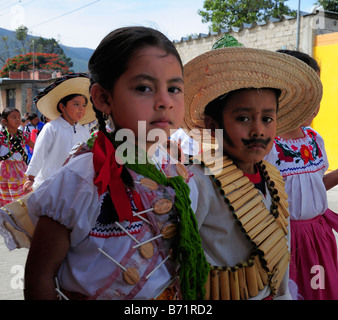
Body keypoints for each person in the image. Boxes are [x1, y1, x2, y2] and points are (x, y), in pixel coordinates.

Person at [23, 27, 208, 300]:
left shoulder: (177, 171)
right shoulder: (81, 178)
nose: (165, 101)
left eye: (174, 88)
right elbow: (39, 276)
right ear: (103, 98)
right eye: (144, 88)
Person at [183, 47, 322, 300]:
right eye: (244, 118)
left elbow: (281, 251)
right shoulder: (198, 181)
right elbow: (181, 258)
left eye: (267, 119)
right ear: (213, 127)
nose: (258, 130)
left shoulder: (273, 176)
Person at [265, 50, 338, 300]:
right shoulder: (265, 145)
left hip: (318, 237)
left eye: (317, 93)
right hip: (283, 239)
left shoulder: (314, 139)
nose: (315, 104)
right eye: (307, 93)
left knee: (319, 291)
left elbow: (316, 186)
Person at [22, 73, 95, 191]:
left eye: (84, 105)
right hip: (49, 184)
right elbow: (39, 153)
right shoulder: (51, 128)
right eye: (76, 104)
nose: (81, 108)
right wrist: (31, 177)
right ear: (62, 106)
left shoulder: (84, 132)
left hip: (74, 186)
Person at [0, 108, 34, 206]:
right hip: (5, 171)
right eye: (13, 117)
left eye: (19, 117)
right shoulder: (1, 137)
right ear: (4, 121)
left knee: (24, 194)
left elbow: (37, 149)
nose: (18, 120)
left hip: (22, 169)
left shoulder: (24, 135)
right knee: (7, 197)